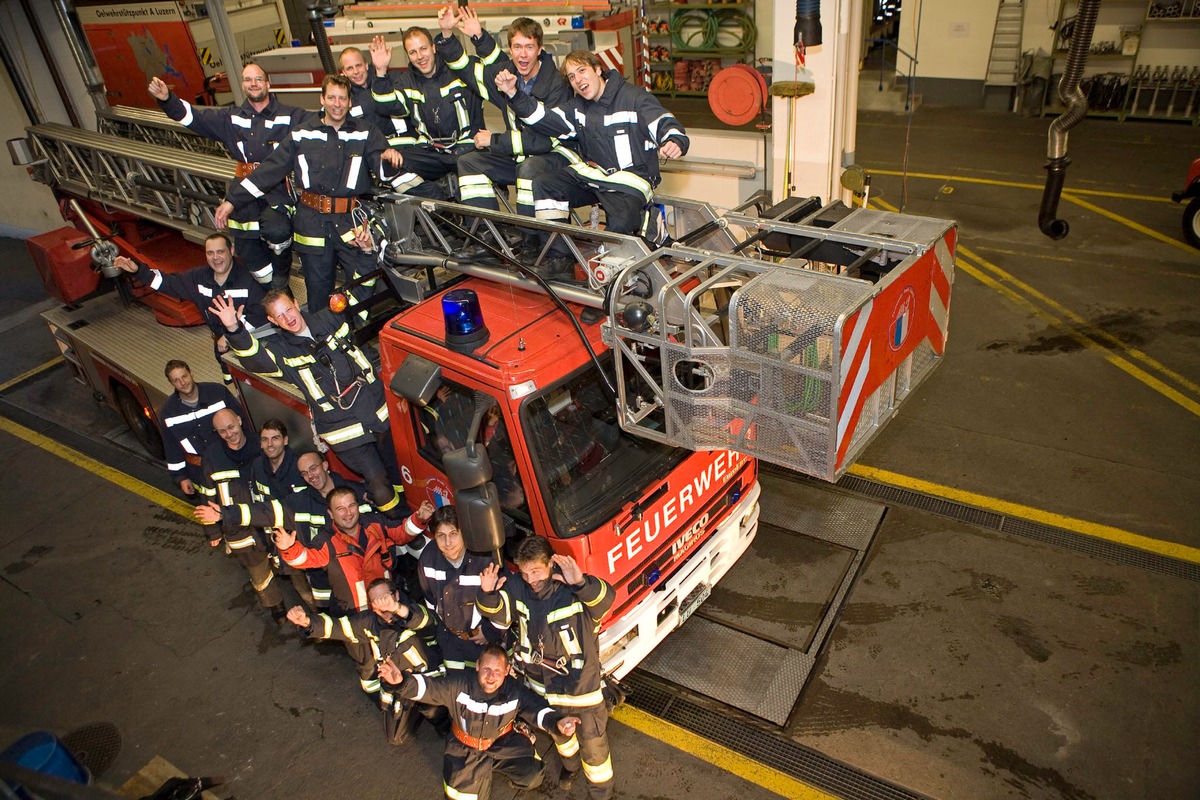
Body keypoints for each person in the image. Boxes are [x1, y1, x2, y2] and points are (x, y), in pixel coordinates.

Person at [210, 287, 407, 519]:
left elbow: (359, 297)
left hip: (377, 411)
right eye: (279, 316)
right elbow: (254, 357)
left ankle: (411, 507)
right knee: (377, 478)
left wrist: (364, 253)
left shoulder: (329, 319)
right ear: (272, 321)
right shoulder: (279, 351)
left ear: (296, 303)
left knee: (398, 466)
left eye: (289, 310)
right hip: (344, 430)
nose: (288, 318)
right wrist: (233, 327)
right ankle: (397, 520)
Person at [214, 74, 402, 313]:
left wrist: (388, 159)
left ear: (349, 102)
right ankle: (324, 340)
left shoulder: (366, 132)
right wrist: (232, 201)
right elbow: (269, 171)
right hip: (311, 223)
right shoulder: (302, 133)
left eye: (342, 98)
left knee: (364, 285)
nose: (337, 103)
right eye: (331, 97)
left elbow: (383, 172)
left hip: (349, 222)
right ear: (321, 99)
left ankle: (354, 337)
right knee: (318, 293)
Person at [498, 49, 689, 278]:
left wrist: (674, 140)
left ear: (598, 70)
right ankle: (560, 260)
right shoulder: (577, 107)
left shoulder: (634, 98)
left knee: (617, 231)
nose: (578, 80)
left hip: (631, 182)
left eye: (582, 70)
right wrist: (513, 93)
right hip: (595, 176)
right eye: (571, 76)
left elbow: (664, 123)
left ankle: (611, 286)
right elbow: (543, 119)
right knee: (545, 184)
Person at [148, 64, 309, 289]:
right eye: (248, 79)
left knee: (278, 230)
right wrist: (167, 99)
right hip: (242, 190)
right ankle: (274, 290)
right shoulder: (230, 118)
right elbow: (191, 117)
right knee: (246, 248)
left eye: (258, 79)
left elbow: (325, 124)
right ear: (243, 85)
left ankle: (281, 279)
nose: (253, 83)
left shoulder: (291, 116)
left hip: (276, 188)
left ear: (268, 84)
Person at [477, 537, 615, 798]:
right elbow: (499, 616)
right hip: (543, 691)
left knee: (595, 753)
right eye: (525, 572)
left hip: (581, 692)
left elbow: (606, 600)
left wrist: (581, 582)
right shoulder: (518, 587)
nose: (530, 579)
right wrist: (486, 593)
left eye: (536, 571)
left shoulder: (573, 589)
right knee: (561, 738)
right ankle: (570, 768)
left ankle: (602, 793)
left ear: (551, 564)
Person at [436, 7, 581, 254]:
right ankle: (486, 238)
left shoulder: (556, 85)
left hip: (557, 156)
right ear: (510, 49)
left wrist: (494, 140)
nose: (522, 55)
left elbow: (543, 141)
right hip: (519, 154)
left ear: (539, 49)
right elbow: (469, 71)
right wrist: (449, 35)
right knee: (469, 162)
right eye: (516, 47)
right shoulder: (508, 76)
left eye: (529, 47)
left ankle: (532, 243)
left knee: (528, 168)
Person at [380, 643, 580, 800]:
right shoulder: (459, 684)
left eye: (497, 671)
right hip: (465, 751)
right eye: (486, 669)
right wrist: (401, 682)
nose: (491, 677)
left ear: (507, 670)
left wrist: (557, 722)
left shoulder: (514, 690)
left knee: (533, 775)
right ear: (477, 666)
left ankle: (506, 764)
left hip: (502, 743)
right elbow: (428, 688)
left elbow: (537, 709)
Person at [194, 450, 373, 610]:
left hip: (367, 582)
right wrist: (225, 515)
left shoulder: (360, 494)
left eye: (313, 468)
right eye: (304, 473)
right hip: (326, 591)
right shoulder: (299, 503)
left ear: (325, 465)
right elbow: (264, 512)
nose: (311, 476)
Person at [286, 578, 449, 743]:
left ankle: (444, 722)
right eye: (376, 602)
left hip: (428, 680)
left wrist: (397, 609)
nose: (383, 606)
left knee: (434, 710)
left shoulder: (413, 611)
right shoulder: (369, 622)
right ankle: (414, 708)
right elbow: (337, 627)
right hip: (399, 683)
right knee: (396, 738)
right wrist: (307, 622)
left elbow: (425, 620)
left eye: (385, 598)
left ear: (397, 595)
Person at [112, 233, 267, 384]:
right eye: (210, 253)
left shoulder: (248, 279)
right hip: (220, 347)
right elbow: (166, 283)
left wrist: (231, 334)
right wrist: (138, 271)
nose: (215, 258)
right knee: (231, 379)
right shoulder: (198, 278)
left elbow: (259, 316)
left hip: (250, 344)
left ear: (231, 251)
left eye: (220, 252)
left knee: (253, 383)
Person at [271, 488, 435, 617]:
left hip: (388, 605)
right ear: (330, 513)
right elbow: (305, 559)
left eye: (351, 506)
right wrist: (288, 548)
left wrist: (419, 518)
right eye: (340, 509)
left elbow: (400, 533)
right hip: (355, 615)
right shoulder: (326, 541)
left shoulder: (375, 524)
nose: (348, 513)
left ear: (358, 506)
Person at [369, 28, 484, 198]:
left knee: (472, 188)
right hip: (430, 152)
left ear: (433, 47)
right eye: (413, 52)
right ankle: (439, 204)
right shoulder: (406, 81)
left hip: (467, 150)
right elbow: (387, 107)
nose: (420, 56)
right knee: (389, 164)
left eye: (423, 49)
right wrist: (380, 72)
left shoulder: (460, 71)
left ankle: (474, 222)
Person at [198, 407, 286, 622]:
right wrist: (212, 531)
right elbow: (208, 495)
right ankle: (276, 606)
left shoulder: (261, 444)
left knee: (289, 562)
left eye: (231, 427)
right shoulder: (212, 456)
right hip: (238, 528)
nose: (229, 434)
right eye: (222, 431)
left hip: (269, 519)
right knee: (258, 571)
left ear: (239, 420)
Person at [418, 505, 501, 671]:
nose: (448, 543)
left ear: (465, 533)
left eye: (453, 534)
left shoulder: (485, 559)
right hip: (449, 642)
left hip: (482, 642)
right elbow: (430, 601)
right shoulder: (427, 559)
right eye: (441, 535)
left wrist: (490, 631)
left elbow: (505, 601)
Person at [157, 359, 250, 500]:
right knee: (215, 510)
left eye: (184, 376)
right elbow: (172, 448)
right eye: (176, 380)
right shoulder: (169, 412)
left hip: (233, 462)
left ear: (191, 373)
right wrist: (181, 477)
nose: (183, 382)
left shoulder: (217, 393)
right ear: (171, 383)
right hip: (201, 474)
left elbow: (243, 423)